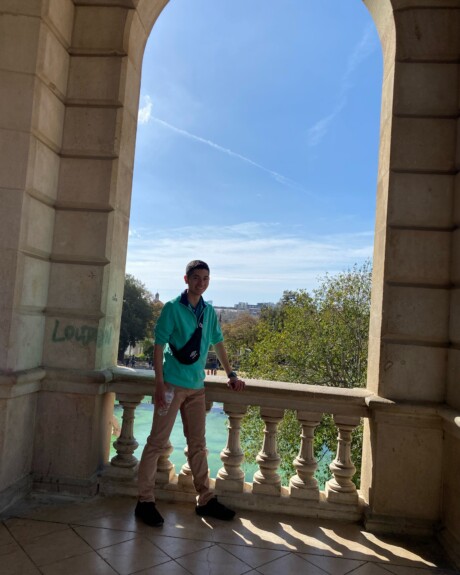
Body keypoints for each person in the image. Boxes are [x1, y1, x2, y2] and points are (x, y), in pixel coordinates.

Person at [135, 260, 245, 527]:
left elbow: (217, 343)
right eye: (196, 278)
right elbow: (158, 348)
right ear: (186, 279)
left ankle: (205, 499)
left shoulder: (208, 311)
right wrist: (159, 385)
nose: (202, 282)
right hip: (172, 385)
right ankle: (144, 501)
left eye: (206, 278)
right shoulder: (172, 308)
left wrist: (231, 373)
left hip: (197, 388)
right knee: (156, 443)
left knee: (198, 445)